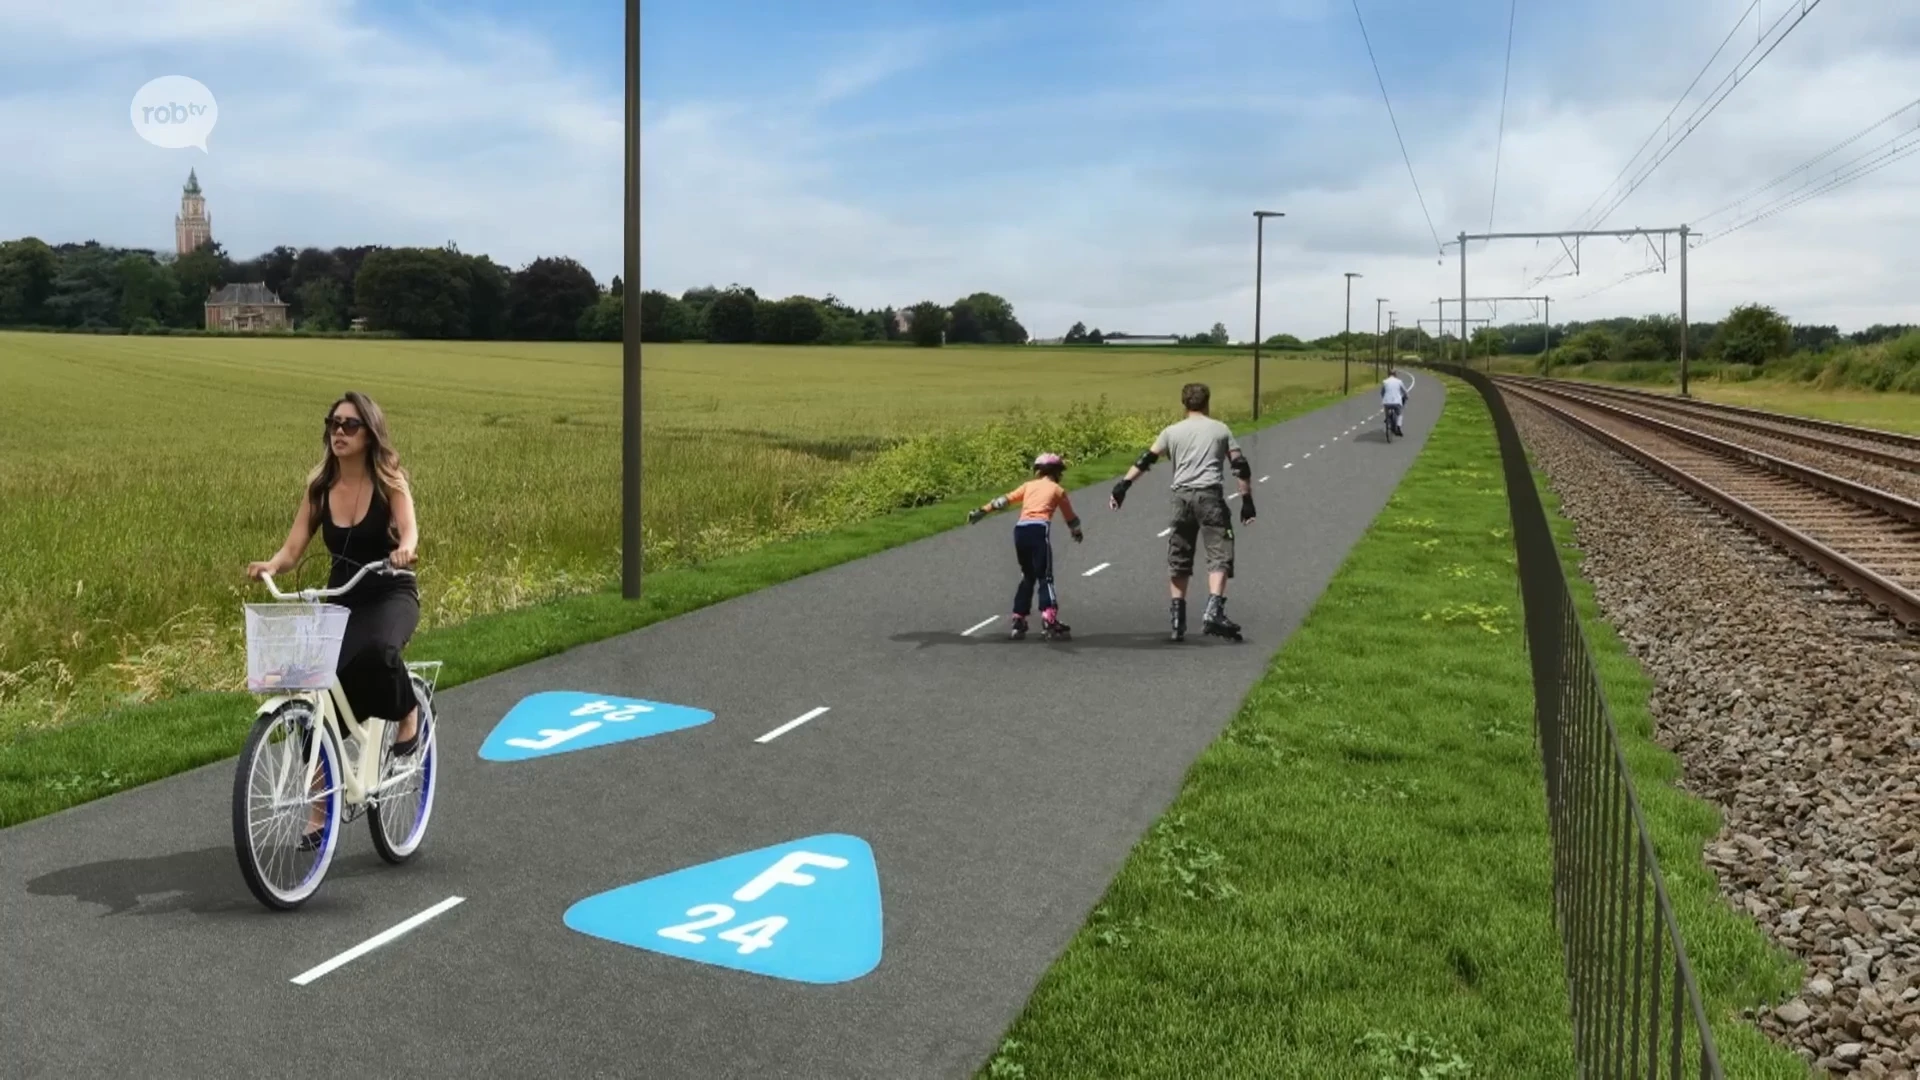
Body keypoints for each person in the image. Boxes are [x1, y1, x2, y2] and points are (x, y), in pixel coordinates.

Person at [248, 392, 424, 842]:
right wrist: (271, 566)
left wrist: (405, 548)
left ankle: (407, 714)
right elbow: (292, 550)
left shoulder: (390, 482)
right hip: (341, 597)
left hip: (389, 591)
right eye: (333, 423)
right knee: (312, 699)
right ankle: (321, 806)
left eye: (350, 425)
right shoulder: (320, 489)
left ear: (370, 433)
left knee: (380, 651)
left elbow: (409, 528)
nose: (338, 432)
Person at [1108, 382, 1254, 641]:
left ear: (1184, 404)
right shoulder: (1221, 429)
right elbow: (1240, 466)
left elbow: (1146, 459)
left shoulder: (1170, 432)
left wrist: (1123, 486)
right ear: (1207, 402)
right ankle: (1213, 613)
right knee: (1219, 553)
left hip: (1181, 498)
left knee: (1179, 555)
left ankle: (1177, 623)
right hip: (1210, 496)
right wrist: (1247, 501)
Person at [967, 452, 1083, 639]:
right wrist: (1077, 533)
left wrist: (983, 510)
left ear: (1038, 471)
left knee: (1028, 575)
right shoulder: (1057, 490)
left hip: (1020, 531)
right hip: (1039, 530)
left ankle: (1019, 618)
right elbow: (1070, 517)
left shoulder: (1028, 486)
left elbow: (1003, 500)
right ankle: (1049, 618)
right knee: (1045, 575)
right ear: (1057, 472)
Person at [1381, 368, 1410, 436]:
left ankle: (1387, 418)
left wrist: (1383, 397)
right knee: (1399, 414)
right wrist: (1407, 396)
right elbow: (1404, 391)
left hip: (1387, 402)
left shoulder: (1385, 381)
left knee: (1386, 410)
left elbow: (1382, 392)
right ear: (1395, 374)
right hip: (1397, 402)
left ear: (1388, 374)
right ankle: (1398, 427)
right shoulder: (1399, 381)